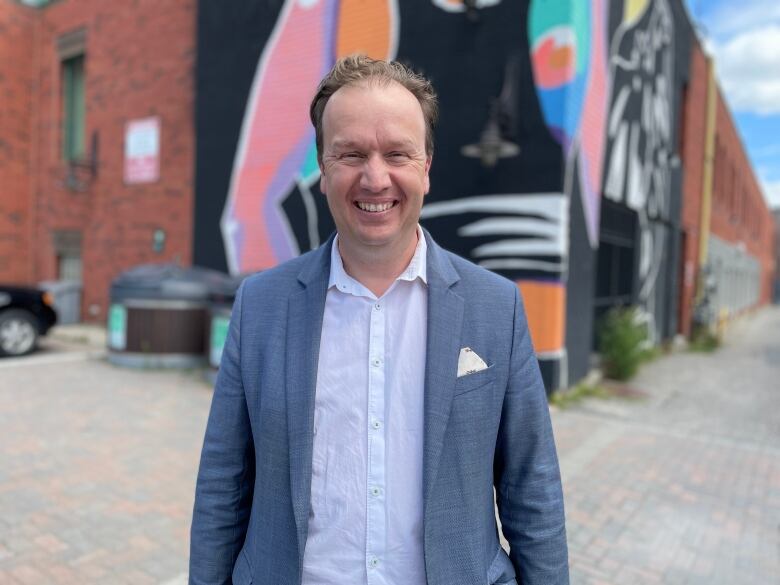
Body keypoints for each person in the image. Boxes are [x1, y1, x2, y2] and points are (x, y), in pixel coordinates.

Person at [190, 55, 569, 585]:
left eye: (397, 153)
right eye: (350, 153)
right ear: (323, 170)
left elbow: (532, 488)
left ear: (426, 168)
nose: (374, 177)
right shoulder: (260, 305)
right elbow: (222, 484)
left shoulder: (495, 307)